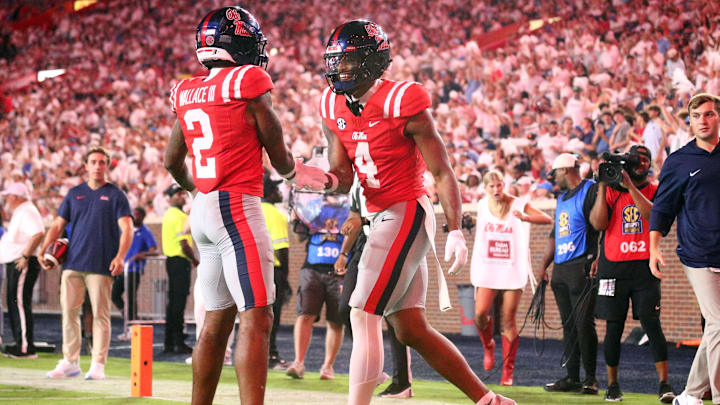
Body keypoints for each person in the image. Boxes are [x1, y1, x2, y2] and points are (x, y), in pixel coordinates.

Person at [318, 20, 515, 405]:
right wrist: (309, 177)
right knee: (410, 329)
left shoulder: (402, 101)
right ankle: (488, 400)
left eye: (350, 61)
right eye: (336, 61)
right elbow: (341, 178)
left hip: (406, 209)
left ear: (374, 63)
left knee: (363, 313)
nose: (341, 69)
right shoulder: (329, 104)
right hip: (379, 215)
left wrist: (455, 228)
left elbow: (442, 171)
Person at [164, 6, 325, 405]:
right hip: (236, 207)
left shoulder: (185, 90)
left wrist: (199, 190)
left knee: (216, 321)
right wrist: (298, 174)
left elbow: (171, 161)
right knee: (257, 316)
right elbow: (280, 156)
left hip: (203, 211)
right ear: (238, 43)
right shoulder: (247, 79)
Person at [589, 145, 675, 403]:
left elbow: (654, 216)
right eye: (637, 160)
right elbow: (598, 224)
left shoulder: (655, 189)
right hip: (612, 267)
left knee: (652, 325)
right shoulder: (611, 191)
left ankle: (664, 384)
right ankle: (613, 385)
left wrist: (630, 188)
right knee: (613, 328)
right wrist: (604, 185)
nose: (642, 163)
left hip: (644, 268)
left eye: (646, 159)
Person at [650, 93, 720, 405]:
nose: (703, 121)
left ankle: (691, 395)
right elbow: (662, 210)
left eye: (709, 115)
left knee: (717, 327)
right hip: (698, 254)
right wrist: (654, 248)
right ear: (689, 121)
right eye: (697, 116)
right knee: (719, 323)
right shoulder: (678, 162)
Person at [40, 146, 133, 380]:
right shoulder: (74, 194)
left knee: (101, 315)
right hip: (72, 264)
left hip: (102, 265)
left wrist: (120, 256)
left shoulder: (116, 195)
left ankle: (98, 365)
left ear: (108, 166)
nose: (98, 166)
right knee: (69, 313)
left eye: (102, 162)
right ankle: (71, 361)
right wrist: (43, 250)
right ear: (86, 165)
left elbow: (127, 229)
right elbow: (57, 225)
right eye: (93, 162)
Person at [471, 170, 552, 386]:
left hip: (512, 267)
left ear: (504, 185)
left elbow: (546, 218)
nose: (496, 189)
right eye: (492, 186)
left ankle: (507, 372)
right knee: (479, 314)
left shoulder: (517, 203)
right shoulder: (481, 205)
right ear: (485, 189)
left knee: (508, 319)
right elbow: (481, 225)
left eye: (499, 185)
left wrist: (525, 218)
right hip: (488, 266)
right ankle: (488, 345)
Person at [336, 178, 413, 398]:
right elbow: (355, 219)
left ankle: (402, 382)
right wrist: (343, 253)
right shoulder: (355, 183)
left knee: (392, 315)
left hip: (389, 242)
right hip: (363, 246)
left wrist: (360, 220)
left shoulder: (384, 174)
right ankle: (373, 369)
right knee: (346, 308)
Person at [540, 153, 600, 395]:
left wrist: (598, 256)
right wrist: (543, 265)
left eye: (555, 174)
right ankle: (573, 377)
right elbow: (555, 235)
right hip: (562, 268)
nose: (554, 179)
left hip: (582, 264)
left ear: (565, 170)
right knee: (569, 325)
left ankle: (591, 379)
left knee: (584, 323)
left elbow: (602, 224)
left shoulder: (591, 189)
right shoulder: (562, 198)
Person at [285, 182, 347, 381]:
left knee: (336, 321)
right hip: (312, 266)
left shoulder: (350, 207)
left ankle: (328, 366)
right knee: (305, 315)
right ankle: (298, 362)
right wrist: (296, 220)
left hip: (339, 270)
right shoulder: (313, 207)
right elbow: (299, 237)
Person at [0, 182, 44, 358]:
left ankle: (25, 347)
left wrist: (25, 256)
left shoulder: (26, 211)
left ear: (16, 197)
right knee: (15, 302)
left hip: (22, 262)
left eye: (8, 196)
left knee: (18, 302)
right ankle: (21, 342)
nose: (6, 199)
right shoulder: (22, 211)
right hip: (17, 261)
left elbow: (38, 233)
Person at [112, 206, 158, 340]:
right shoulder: (126, 230)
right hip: (122, 268)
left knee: (131, 299)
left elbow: (154, 250)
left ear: (143, 217)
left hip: (134, 270)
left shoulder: (145, 232)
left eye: (138, 215)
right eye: (133, 214)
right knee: (114, 295)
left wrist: (142, 254)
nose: (135, 217)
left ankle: (132, 328)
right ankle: (127, 318)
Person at [161, 184, 197, 354]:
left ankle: (170, 342)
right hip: (179, 262)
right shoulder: (178, 216)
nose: (182, 195)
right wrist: (195, 260)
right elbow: (183, 244)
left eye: (182, 193)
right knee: (178, 303)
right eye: (177, 194)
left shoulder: (169, 215)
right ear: (170, 198)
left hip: (172, 261)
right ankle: (177, 341)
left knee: (173, 303)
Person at [261, 172, 291, 370]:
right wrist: (286, 280)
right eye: (276, 188)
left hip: (254, 269)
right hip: (274, 272)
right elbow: (281, 251)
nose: (280, 191)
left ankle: (257, 355)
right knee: (273, 315)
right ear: (270, 193)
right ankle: (271, 356)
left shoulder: (250, 210)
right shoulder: (275, 215)